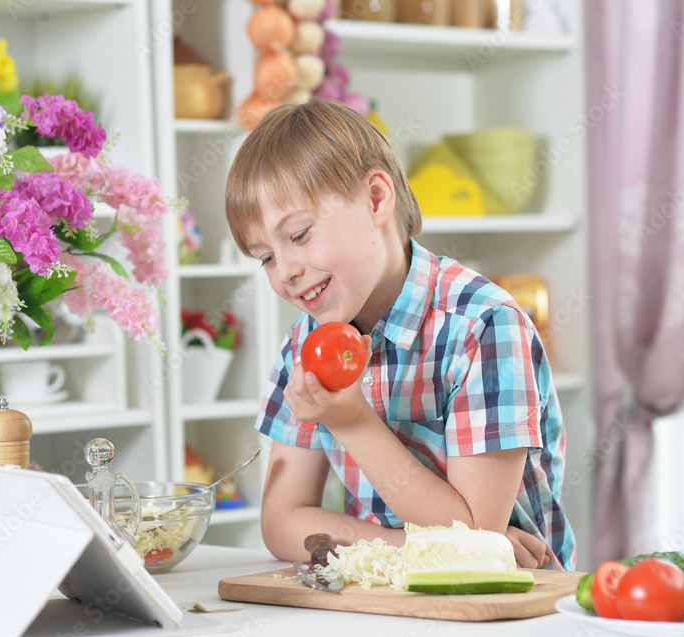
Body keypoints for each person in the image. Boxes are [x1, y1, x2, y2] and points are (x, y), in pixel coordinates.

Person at [224, 97, 575, 571]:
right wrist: (406, 549)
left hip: (509, 608)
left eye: (300, 234)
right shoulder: (304, 348)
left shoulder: (483, 326)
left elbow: (473, 548)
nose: (284, 271)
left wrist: (351, 421)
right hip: (385, 600)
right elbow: (281, 521)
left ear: (376, 199)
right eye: (265, 257)